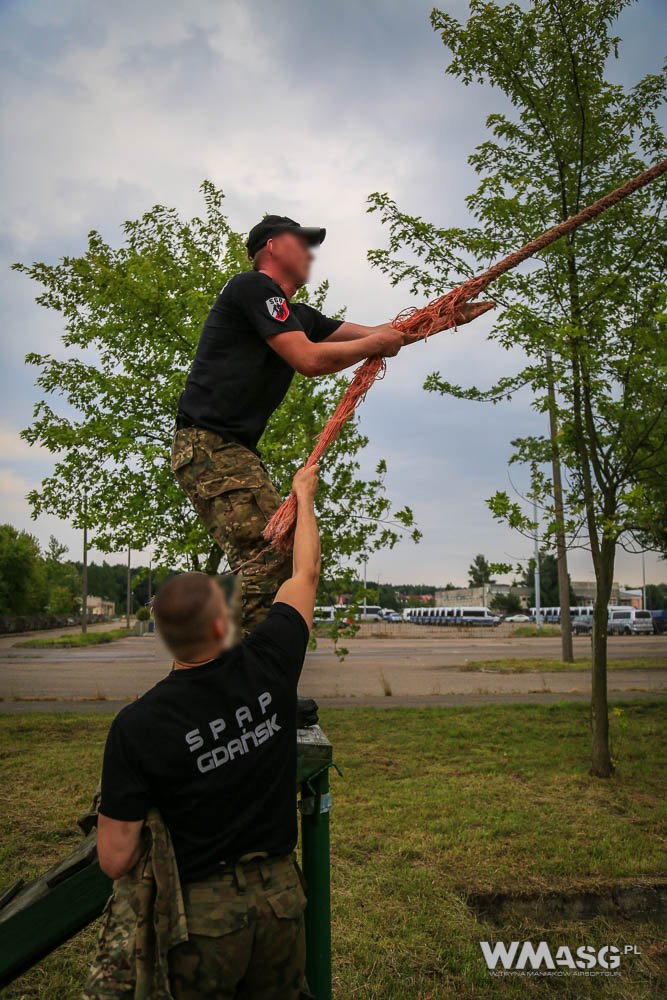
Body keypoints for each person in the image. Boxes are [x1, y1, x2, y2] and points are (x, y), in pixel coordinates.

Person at [173, 214, 487, 633]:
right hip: (209, 447)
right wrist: (377, 343)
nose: (309, 252)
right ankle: (238, 672)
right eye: (300, 242)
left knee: (279, 559)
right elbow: (309, 360)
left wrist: (448, 317)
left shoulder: (296, 315)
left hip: (230, 451)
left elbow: (387, 332)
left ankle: (242, 667)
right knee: (273, 559)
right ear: (272, 246)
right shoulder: (250, 288)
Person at [96, 463, 322, 1000]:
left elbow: (115, 858)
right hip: (282, 902)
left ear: (167, 640)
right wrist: (304, 496)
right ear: (224, 624)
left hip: (201, 921)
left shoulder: (138, 726)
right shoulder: (271, 660)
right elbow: (305, 575)